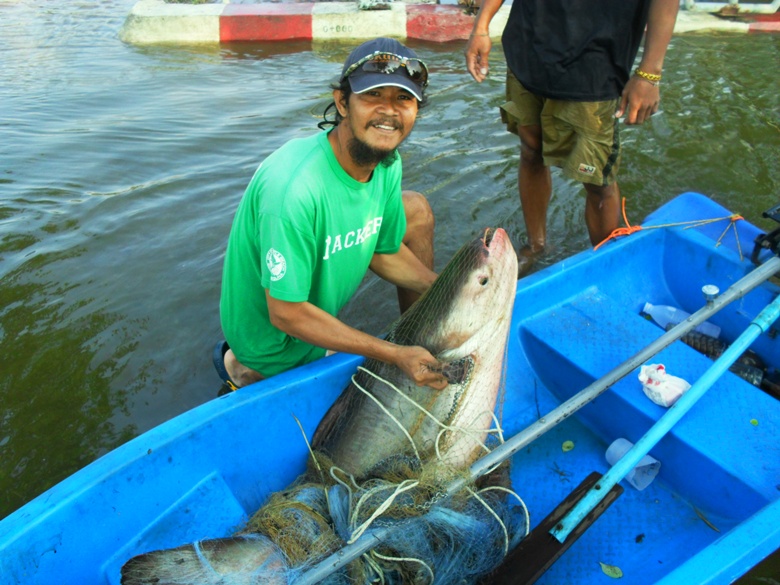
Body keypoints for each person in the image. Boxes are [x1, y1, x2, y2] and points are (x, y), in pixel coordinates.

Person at [215, 37, 449, 394]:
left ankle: (402, 338)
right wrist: (393, 353)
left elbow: (383, 250)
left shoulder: (386, 163)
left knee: (414, 206)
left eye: (403, 98)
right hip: (275, 350)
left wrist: (444, 289)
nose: (389, 111)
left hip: (308, 325)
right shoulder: (293, 190)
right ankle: (244, 370)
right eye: (373, 96)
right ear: (342, 103)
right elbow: (286, 313)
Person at [465, 0, 679, 274]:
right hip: (526, 48)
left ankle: (605, 268)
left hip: (597, 62)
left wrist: (650, 73)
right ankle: (537, 245)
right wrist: (482, 24)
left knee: (598, 180)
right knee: (531, 151)